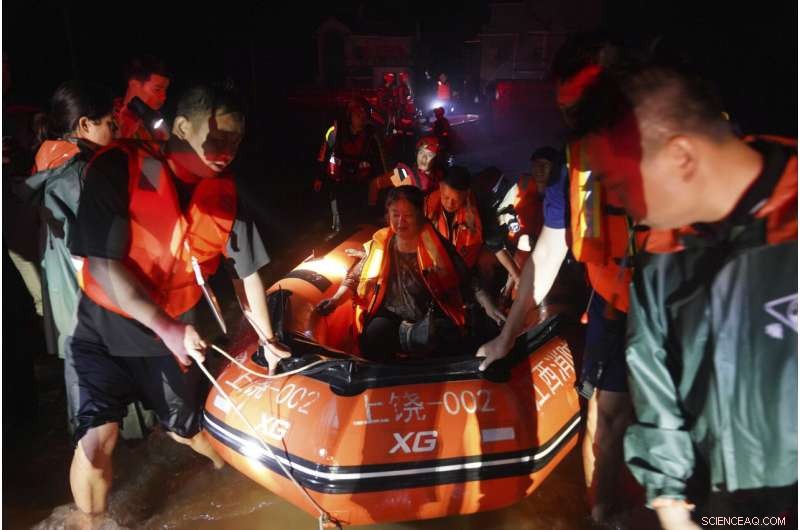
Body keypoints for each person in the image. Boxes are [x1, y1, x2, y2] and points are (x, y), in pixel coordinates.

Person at [572, 63, 797, 530]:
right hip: (711, 507)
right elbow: (657, 391)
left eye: (619, 183)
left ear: (681, 157)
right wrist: (671, 506)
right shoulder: (661, 255)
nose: (619, 203)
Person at [67, 83, 290, 518]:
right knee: (97, 442)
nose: (228, 149)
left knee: (185, 430)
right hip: (104, 326)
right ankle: (89, 526)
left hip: (173, 330)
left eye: (236, 140)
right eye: (219, 136)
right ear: (183, 127)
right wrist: (167, 328)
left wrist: (268, 342)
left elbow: (246, 274)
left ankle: (228, 468)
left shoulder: (223, 195)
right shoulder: (118, 168)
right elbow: (103, 268)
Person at [475, 36, 665, 526]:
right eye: (567, 109)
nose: (575, 119)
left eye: (583, 104)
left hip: (678, 310)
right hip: (614, 305)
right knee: (604, 418)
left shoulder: (678, 140)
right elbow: (550, 249)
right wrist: (508, 334)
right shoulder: (577, 166)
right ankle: (601, 514)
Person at [21, 81, 117, 432]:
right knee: (98, 413)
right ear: (84, 125)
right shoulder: (79, 173)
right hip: (88, 301)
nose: (116, 130)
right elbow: (96, 249)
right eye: (110, 122)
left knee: (86, 398)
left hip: (64, 298)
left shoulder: (48, 158)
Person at [315, 185, 505, 362]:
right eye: (395, 214)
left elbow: (467, 278)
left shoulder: (436, 245)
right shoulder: (383, 243)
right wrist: (336, 300)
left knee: (452, 340)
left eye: (408, 215)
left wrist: (490, 307)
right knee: (372, 338)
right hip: (392, 312)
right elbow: (356, 276)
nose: (400, 222)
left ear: (420, 215)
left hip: (431, 312)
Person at [315, 97, 387, 232]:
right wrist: (319, 177)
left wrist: (381, 183)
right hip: (339, 182)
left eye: (363, 114)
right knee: (340, 218)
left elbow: (378, 162)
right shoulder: (335, 132)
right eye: (358, 114)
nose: (361, 117)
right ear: (349, 116)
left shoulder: (370, 137)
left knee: (359, 218)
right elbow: (323, 155)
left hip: (360, 183)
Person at [424, 165, 483, 269]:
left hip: (458, 268)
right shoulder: (427, 205)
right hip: (431, 263)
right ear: (440, 187)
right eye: (446, 197)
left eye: (455, 200)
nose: (450, 204)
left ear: (466, 194)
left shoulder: (472, 215)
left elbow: (471, 252)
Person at [367, 135, 443, 206]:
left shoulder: (439, 176)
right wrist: (373, 210)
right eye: (421, 153)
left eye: (429, 155)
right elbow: (375, 184)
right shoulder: (403, 173)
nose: (423, 158)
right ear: (416, 154)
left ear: (436, 159)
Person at [116, 55, 171, 141]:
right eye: (157, 89)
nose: (164, 96)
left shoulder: (157, 120)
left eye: (165, 90)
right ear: (134, 85)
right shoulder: (106, 118)